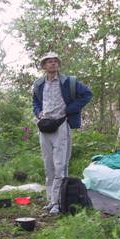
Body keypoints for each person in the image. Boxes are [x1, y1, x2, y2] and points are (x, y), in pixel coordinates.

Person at [32, 52, 92, 214]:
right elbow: (35, 102)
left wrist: (69, 110)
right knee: (48, 165)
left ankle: (59, 202)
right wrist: (38, 114)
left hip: (61, 125)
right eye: (49, 62)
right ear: (44, 66)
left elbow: (87, 94)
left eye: (55, 61)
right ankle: (51, 200)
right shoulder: (39, 84)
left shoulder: (68, 82)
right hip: (44, 126)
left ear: (58, 64)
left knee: (60, 165)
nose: (52, 64)